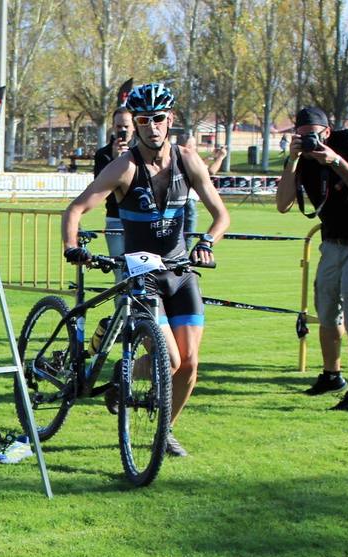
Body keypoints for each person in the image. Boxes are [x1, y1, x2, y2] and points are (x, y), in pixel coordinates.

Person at [62, 82, 230, 457]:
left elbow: (221, 216)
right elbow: (75, 209)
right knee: (168, 359)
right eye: (143, 120)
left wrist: (206, 243)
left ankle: (163, 430)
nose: (152, 127)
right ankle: (124, 374)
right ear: (134, 124)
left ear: (170, 120)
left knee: (190, 364)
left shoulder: (188, 160)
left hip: (181, 272)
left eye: (158, 119)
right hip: (142, 277)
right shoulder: (124, 167)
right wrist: (72, 246)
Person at [276, 106, 348, 414]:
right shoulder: (301, 159)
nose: (311, 140)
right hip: (332, 242)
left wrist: (335, 160)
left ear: (327, 132)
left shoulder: (347, 141)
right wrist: (292, 160)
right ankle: (331, 375)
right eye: (303, 135)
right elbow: (283, 204)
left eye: (315, 135)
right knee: (326, 311)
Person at [93, 107, 136, 269]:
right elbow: (100, 188)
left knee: (142, 273)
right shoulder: (103, 154)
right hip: (115, 218)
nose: (123, 130)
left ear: (134, 126)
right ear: (113, 126)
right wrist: (115, 160)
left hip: (140, 219)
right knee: (120, 271)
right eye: (119, 127)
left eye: (126, 126)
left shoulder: (142, 153)